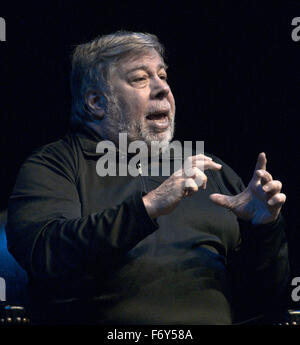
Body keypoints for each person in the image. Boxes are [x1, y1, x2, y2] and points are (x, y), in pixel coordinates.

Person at [6, 31, 289, 325]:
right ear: (96, 102)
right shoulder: (55, 164)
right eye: (140, 79)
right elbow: (46, 254)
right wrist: (148, 207)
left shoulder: (209, 169)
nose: (162, 89)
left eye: (163, 76)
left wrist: (263, 230)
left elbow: (264, 299)